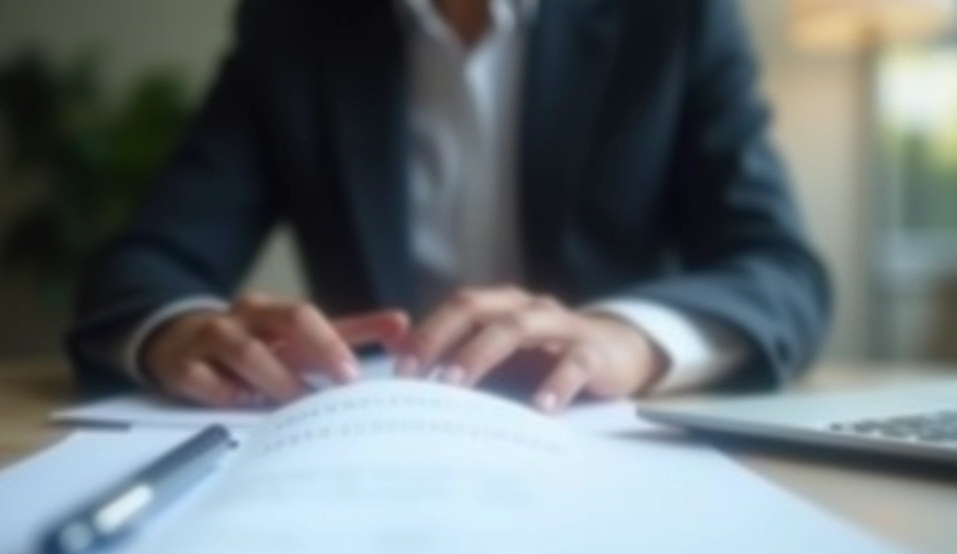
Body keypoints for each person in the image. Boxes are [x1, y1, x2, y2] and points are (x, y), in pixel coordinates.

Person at [68, 0, 831, 413]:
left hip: (599, 443)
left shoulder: (677, 15)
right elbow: (148, 263)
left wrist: (628, 337)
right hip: (362, 447)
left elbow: (779, 270)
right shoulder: (292, 24)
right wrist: (177, 329)